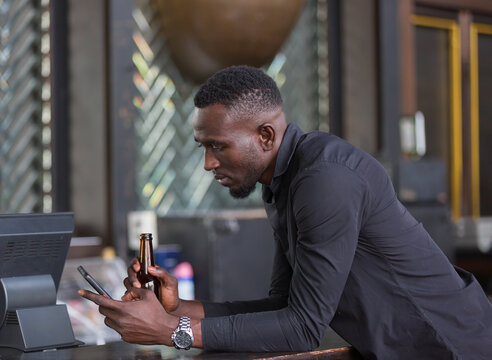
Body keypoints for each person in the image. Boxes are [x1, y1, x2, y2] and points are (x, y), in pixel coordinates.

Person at [79, 65, 492, 359]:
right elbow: (284, 306)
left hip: (450, 346)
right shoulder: (282, 179)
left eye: (217, 146)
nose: (207, 163)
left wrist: (173, 332)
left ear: (265, 135)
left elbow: (303, 329)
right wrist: (180, 309)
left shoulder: (324, 179)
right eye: (202, 147)